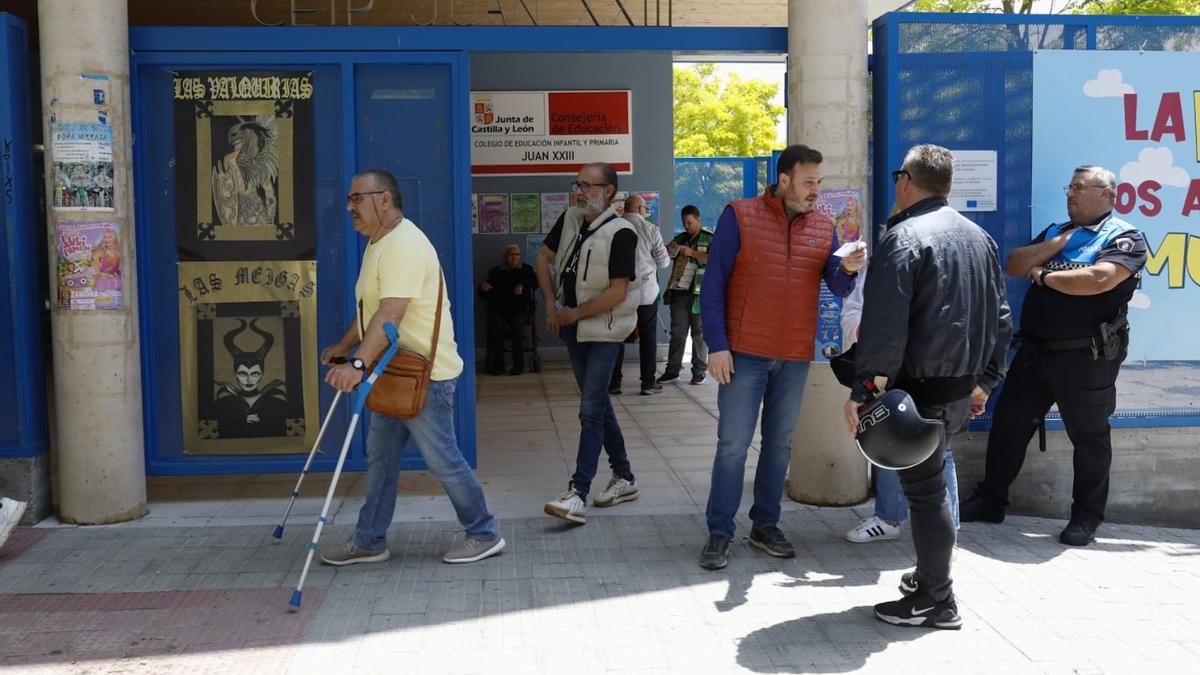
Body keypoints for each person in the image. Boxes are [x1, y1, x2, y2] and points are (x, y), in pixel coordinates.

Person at [842, 144, 1011, 630]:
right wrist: (985, 381)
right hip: (959, 392)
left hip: (916, 394)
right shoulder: (979, 238)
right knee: (931, 489)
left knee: (927, 493)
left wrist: (863, 391)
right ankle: (929, 581)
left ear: (906, 181)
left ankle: (937, 599)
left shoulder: (903, 238)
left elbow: (884, 327)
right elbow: (1002, 319)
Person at [320, 169, 505, 566]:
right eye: (349, 199)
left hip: (425, 376)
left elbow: (390, 315)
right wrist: (343, 344)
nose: (349, 207)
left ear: (385, 199)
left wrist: (356, 364)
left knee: (442, 459)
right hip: (394, 372)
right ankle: (370, 540)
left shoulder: (404, 244)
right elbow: (370, 312)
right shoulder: (378, 242)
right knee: (381, 458)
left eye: (357, 198)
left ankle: (484, 533)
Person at [697, 144, 866, 570]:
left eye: (819, 183)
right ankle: (720, 530)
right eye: (809, 182)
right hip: (743, 353)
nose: (816, 191)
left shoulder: (824, 224)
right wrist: (716, 344)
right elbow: (713, 282)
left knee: (778, 445)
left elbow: (836, 286)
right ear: (784, 179)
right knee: (733, 446)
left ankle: (765, 524)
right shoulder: (740, 215)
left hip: (792, 355)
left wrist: (847, 270)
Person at [959, 165, 1147, 547]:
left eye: (1080, 188)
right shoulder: (1055, 232)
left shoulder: (1124, 237)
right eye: (1070, 187)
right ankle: (992, 501)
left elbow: (1098, 280)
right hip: (1035, 352)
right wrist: (1057, 246)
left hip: (1086, 357)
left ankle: (1086, 517)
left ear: (1107, 195)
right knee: (1009, 425)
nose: (1071, 194)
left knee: (1090, 437)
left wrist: (1043, 276)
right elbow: (1014, 264)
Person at [536, 162, 641, 524]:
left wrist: (573, 314)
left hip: (605, 334)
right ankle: (624, 476)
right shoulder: (569, 219)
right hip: (573, 330)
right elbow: (542, 259)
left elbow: (617, 292)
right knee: (597, 407)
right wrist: (552, 305)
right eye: (576, 184)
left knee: (590, 410)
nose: (579, 191)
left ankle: (577, 493)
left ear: (608, 191)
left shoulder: (622, 232)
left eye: (587, 185)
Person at [840, 272, 961, 543]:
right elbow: (851, 314)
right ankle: (888, 518)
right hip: (889, 370)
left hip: (936, 368)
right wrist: (873, 332)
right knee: (887, 438)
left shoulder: (945, 260)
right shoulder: (883, 265)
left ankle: (947, 531)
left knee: (942, 447)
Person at [609, 194, 670, 396]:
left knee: (617, 337)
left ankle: (614, 382)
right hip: (645, 293)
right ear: (641, 209)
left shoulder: (613, 228)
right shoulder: (650, 229)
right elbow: (663, 262)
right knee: (648, 338)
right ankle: (647, 383)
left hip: (620, 291)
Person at [658, 205, 713, 386]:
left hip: (700, 293)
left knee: (699, 334)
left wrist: (693, 253)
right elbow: (664, 256)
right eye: (684, 222)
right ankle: (672, 370)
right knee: (678, 332)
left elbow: (715, 259)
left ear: (698, 220)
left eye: (689, 222)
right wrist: (669, 249)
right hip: (679, 292)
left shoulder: (709, 238)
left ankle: (699, 371)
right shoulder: (680, 238)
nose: (686, 226)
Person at [212, 318, 290, 438]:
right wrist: (240, 421)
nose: (249, 380)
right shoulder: (222, 405)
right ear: (235, 374)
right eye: (243, 374)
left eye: (255, 374)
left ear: (262, 374)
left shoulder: (278, 404)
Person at [479, 244, 538, 376]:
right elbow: (484, 292)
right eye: (511, 255)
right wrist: (483, 288)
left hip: (520, 308)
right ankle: (499, 365)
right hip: (501, 308)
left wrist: (523, 285)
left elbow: (535, 283)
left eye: (517, 255)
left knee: (517, 325)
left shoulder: (526, 269)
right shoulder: (496, 272)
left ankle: (519, 365)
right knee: (495, 324)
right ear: (505, 257)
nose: (514, 258)